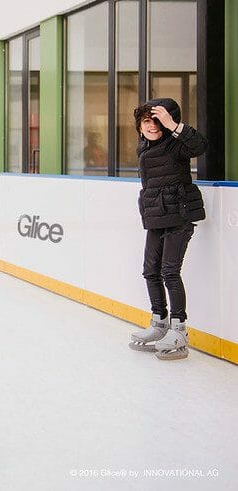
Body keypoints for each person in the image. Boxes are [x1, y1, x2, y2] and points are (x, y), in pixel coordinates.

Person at [128, 98, 207, 360]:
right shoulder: (143, 149)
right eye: (146, 121)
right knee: (150, 272)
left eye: (157, 121)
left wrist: (174, 124)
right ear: (140, 126)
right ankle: (159, 322)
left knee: (169, 272)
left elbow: (200, 146)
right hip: (156, 217)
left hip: (179, 217)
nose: (151, 126)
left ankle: (179, 329)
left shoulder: (175, 145)